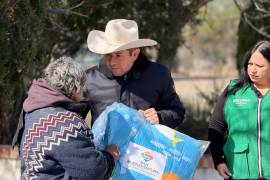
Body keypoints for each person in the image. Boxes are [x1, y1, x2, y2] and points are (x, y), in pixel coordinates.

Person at [13, 57, 119, 179]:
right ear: (75, 89)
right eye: (82, 89)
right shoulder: (64, 123)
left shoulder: (33, 108)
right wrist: (110, 156)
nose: (83, 94)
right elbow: (92, 170)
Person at [84, 19, 185, 128]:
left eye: (118, 55)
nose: (112, 62)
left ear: (135, 54)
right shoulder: (88, 79)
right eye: (108, 54)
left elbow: (177, 112)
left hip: (147, 145)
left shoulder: (159, 74)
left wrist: (160, 117)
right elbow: (73, 119)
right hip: (102, 145)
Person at [208, 40, 270, 180]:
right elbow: (215, 127)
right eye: (250, 64)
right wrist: (219, 160)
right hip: (238, 174)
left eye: (259, 66)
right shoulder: (233, 91)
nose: (252, 70)